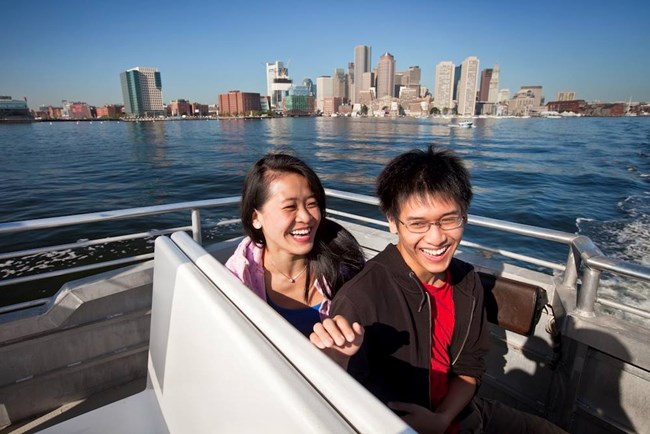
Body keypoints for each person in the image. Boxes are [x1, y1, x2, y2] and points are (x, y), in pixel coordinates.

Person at [311, 145, 566, 433]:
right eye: (418, 224)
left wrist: (443, 418)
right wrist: (336, 359)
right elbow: (342, 400)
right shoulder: (361, 299)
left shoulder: (467, 281)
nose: (436, 238)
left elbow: (470, 367)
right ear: (393, 222)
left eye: (448, 219)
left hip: (463, 414)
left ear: (464, 215)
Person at [225, 153, 365, 339]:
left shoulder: (345, 265)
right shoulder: (239, 277)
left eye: (312, 204)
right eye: (290, 207)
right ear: (256, 218)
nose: (306, 217)